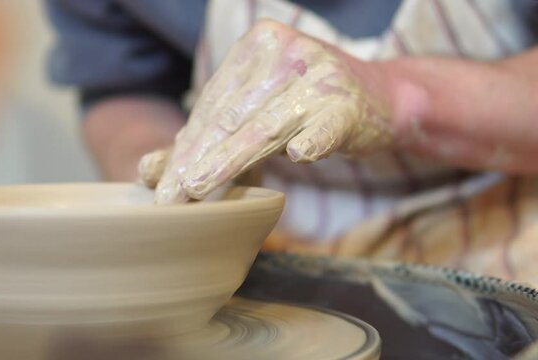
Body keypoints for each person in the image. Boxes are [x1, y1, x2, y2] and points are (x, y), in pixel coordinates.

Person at [46, 0, 538, 283]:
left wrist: (401, 97)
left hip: (506, 229)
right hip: (271, 250)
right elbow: (124, 87)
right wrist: (163, 169)